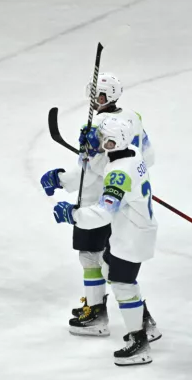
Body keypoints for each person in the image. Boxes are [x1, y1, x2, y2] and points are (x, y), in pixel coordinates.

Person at [40, 73, 159, 340]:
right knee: (110, 264)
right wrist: (129, 180)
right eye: (93, 93)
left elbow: (90, 172)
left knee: (93, 258)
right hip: (122, 200)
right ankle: (142, 319)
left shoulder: (99, 125)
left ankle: (96, 313)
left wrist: (63, 180)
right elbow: (148, 156)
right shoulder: (133, 117)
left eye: (100, 95)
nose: (95, 99)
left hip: (97, 203)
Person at [53, 117, 158, 366]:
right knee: (112, 272)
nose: (98, 141)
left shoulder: (118, 172)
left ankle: (139, 340)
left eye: (103, 139)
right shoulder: (131, 153)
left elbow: (103, 213)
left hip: (130, 236)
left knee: (122, 283)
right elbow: (100, 169)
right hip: (134, 231)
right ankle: (145, 324)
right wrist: (90, 154)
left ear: (113, 142)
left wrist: (73, 214)